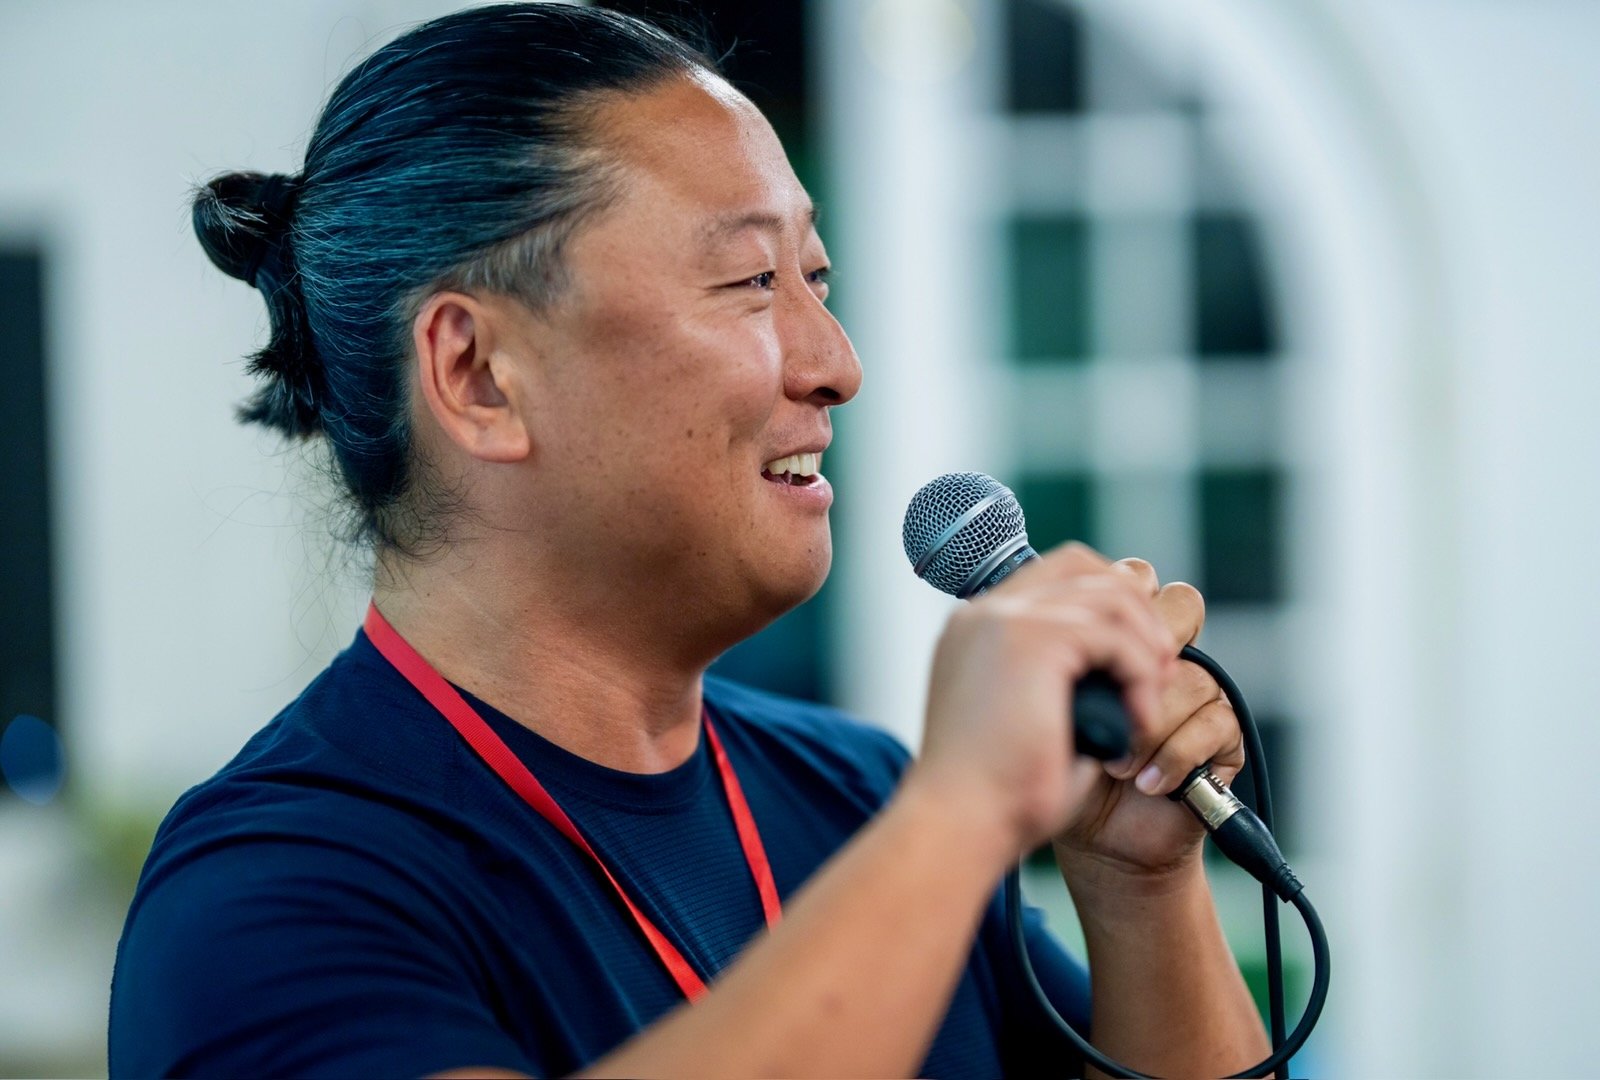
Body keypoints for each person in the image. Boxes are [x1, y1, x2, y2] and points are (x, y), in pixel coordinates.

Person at [109, 5, 1268, 1077]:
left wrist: (1138, 884)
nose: (837, 365)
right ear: (478, 375)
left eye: (817, 277)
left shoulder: (859, 796)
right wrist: (964, 811)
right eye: (752, 279)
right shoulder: (271, 892)